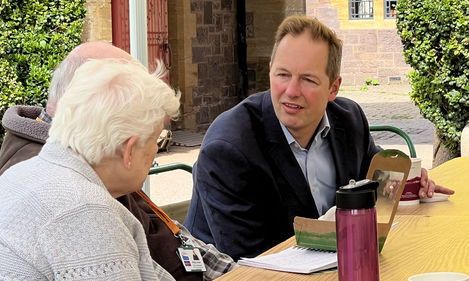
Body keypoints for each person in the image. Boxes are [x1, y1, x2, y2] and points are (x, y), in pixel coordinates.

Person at [184, 15, 455, 261]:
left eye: (308, 80)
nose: (291, 91)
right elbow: (249, 262)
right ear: (270, 71)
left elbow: (376, 173)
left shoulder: (348, 119)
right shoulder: (229, 148)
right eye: (282, 75)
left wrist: (410, 181)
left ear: (333, 88)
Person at [0, 42, 236, 281]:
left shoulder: (38, 174)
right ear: (128, 150)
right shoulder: (87, 209)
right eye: (156, 139)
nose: (157, 152)